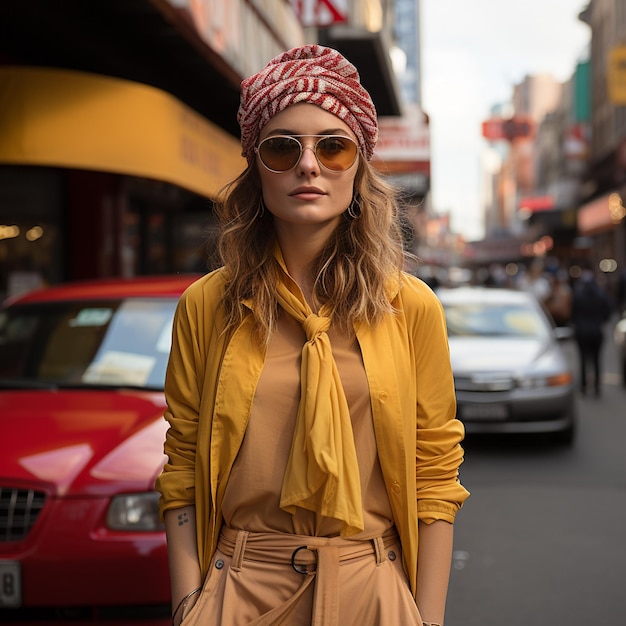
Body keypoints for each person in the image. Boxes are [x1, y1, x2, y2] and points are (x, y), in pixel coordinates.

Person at [155, 44, 469, 626]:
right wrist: (187, 607)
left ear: (359, 163)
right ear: (256, 166)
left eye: (333, 145)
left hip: (374, 586)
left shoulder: (410, 307)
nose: (309, 164)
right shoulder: (207, 305)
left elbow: (435, 473)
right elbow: (181, 467)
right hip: (240, 588)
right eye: (282, 147)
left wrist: (427, 618)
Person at [571, 266, 612, 397]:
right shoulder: (601, 294)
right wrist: (600, 321)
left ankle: (583, 387)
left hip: (582, 331)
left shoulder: (578, 294)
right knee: (597, 360)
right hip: (596, 330)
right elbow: (608, 310)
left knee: (583, 360)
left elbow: (572, 312)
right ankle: (597, 388)